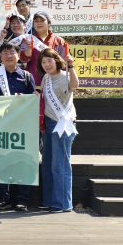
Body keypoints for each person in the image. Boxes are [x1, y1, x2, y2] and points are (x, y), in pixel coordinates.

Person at [0, 41, 39, 211]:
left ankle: (22, 199)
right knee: (1, 160)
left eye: (11, 52)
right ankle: (4, 198)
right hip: (1, 125)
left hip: (22, 126)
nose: (8, 55)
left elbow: (32, 103)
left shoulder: (27, 76)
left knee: (23, 160)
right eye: (4, 53)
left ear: (18, 56)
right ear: (0, 57)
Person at [37, 48, 78, 213]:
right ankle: (49, 200)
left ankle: (62, 203)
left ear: (56, 60)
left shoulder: (65, 75)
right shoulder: (46, 77)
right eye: (43, 61)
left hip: (62, 124)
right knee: (47, 163)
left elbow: (74, 86)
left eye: (49, 60)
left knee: (59, 164)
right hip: (48, 123)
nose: (47, 64)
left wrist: (72, 66)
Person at [19, 11, 66, 88]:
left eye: (42, 20)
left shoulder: (59, 41)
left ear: (48, 23)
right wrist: (29, 48)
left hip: (55, 83)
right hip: (33, 84)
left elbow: (64, 63)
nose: (39, 23)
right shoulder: (26, 40)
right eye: (36, 21)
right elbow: (23, 59)